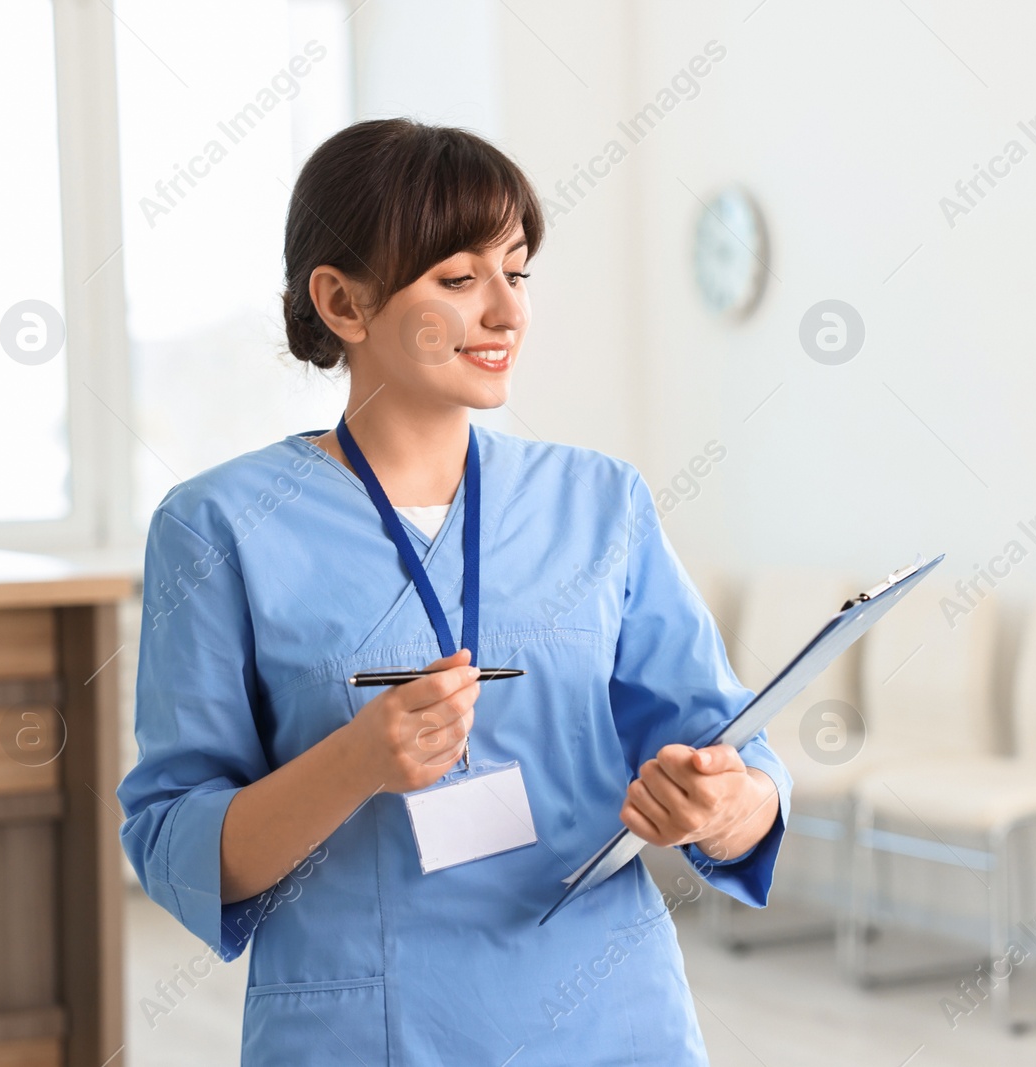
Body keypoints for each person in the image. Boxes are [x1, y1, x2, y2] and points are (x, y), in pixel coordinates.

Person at [118, 118, 791, 1065]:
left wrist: (723, 806)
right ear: (344, 303)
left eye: (516, 273)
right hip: (372, 1026)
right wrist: (355, 761)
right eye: (459, 278)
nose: (507, 313)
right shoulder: (220, 525)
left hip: (613, 1019)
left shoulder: (602, 503)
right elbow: (175, 841)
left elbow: (734, 753)